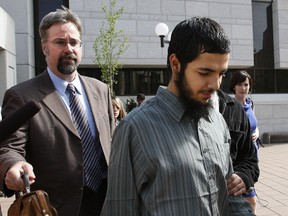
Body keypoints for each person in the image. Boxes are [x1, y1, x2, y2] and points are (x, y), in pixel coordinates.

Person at [101, 17, 253, 216]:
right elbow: (119, 210)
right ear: (175, 64)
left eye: (221, 73)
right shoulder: (134, 129)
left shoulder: (217, 121)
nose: (216, 85)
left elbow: (229, 199)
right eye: (205, 72)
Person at [0, 6, 114, 216]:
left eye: (74, 42)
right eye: (60, 42)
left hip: (106, 204)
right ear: (44, 47)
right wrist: (13, 165)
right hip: (55, 207)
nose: (69, 48)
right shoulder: (22, 96)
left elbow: (112, 143)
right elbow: (10, 146)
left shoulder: (101, 90)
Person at [228, 70, 259, 214]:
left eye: (246, 84)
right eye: (240, 84)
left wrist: (257, 132)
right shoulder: (229, 107)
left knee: (250, 197)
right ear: (234, 86)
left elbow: (254, 124)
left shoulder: (251, 104)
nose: (243, 88)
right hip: (239, 160)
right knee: (250, 199)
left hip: (252, 156)